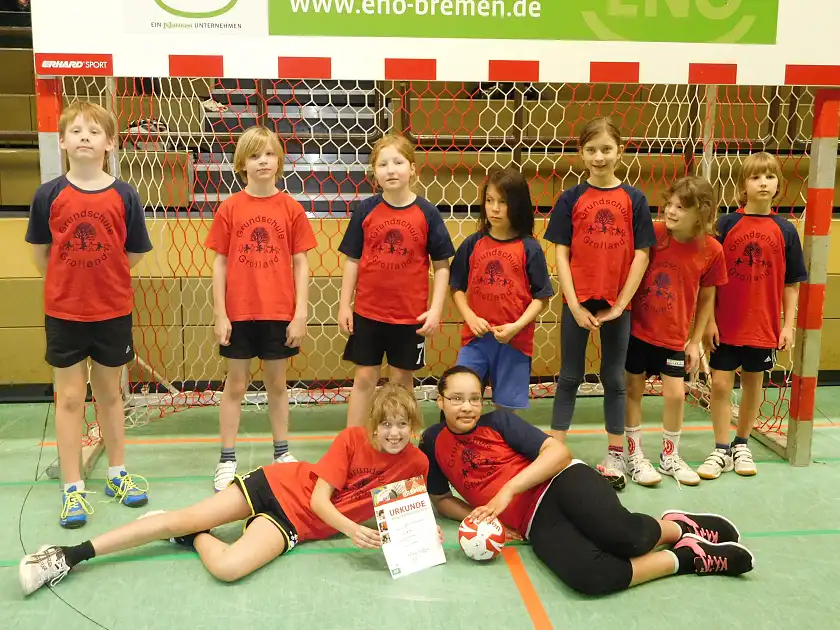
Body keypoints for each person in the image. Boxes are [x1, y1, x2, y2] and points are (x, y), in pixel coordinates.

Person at [19, 384, 429, 596]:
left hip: (293, 525)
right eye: (386, 424)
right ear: (374, 424)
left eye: (403, 425)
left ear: (414, 428)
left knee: (228, 568)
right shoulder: (352, 439)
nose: (394, 433)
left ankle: (193, 536)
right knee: (181, 515)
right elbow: (321, 500)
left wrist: (435, 529)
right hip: (277, 485)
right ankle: (67, 556)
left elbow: (408, 513)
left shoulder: (417, 464)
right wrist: (352, 530)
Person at [420, 366, 755, 596]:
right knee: (590, 577)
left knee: (625, 538)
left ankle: (678, 527)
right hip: (534, 522)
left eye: (475, 398)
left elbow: (557, 454)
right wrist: (474, 516)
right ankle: (686, 558)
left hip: (562, 483)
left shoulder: (499, 422)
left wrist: (507, 491)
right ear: (440, 401)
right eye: (457, 399)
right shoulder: (432, 441)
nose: (467, 407)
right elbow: (439, 496)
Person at [24, 101, 153, 528]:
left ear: (110, 142)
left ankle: (117, 472)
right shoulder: (49, 194)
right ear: (61, 141)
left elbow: (132, 253)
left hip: (112, 311)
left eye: (94, 131)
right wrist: (70, 282)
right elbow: (41, 254)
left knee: (111, 394)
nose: (84, 137)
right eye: (76, 130)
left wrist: (102, 280)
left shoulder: (124, 194)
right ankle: (73, 488)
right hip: (64, 313)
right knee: (72, 398)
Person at [543, 116, 657, 488]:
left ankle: (615, 453)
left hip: (616, 305)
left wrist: (621, 305)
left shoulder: (635, 199)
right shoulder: (571, 198)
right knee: (570, 376)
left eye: (606, 149)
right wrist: (574, 304)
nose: (599, 156)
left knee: (614, 378)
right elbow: (560, 253)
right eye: (591, 149)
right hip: (577, 301)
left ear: (620, 151)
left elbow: (642, 254)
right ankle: (554, 452)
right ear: (581, 153)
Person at [204, 126, 317, 492]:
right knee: (235, 385)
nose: (262, 161)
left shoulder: (291, 208)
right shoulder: (230, 208)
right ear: (242, 163)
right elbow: (219, 263)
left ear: (279, 160)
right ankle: (226, 458)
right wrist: (221, 313)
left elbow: (301, 263)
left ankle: (282, 453)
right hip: (238, 314)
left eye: (268, 154)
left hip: (278, 312)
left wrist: (300, 313)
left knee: (277, 385)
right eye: (254, 156)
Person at [700, 152, 807, 479]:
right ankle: (720, 449)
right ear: (743, 185)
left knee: (753, 383)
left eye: (770, 177)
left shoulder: (786, 230)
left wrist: (788, 325)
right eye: (756, 177)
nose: (763, 182)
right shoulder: (726, 225)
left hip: (763, 325)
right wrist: (708, 322)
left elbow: (792, 284)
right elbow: (708, 279)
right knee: (719, 384)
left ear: (777, 184)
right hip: (725, 323)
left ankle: (741, 443)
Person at [337, 133, 455, 427]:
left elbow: (442, 266)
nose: (391, 170)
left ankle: (404, 441)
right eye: (383, 164)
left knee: (402, 380)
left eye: (398, 162)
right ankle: (351, 443)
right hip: (368, 313)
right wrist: (344, 306)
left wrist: (436, 309)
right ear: (374, 172)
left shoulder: (427, 213)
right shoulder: (366, 210)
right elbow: (352, 260)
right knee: (364, 376)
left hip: (409, 317)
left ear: (412, 168)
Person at [624, 177, 728, 487]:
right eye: (669, 204)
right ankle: (634, 455)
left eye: (680, 208)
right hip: (638, 331)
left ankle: (669, 456)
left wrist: (695, 341)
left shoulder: (711, 250)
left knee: (675, 395)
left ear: (701, 212)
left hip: (674, 336)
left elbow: (708, 295)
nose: (670, 211)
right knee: (632, 391)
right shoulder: (654, 234)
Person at [450, 168, 554, 410]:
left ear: (516, 205)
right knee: (458, 402)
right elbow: (456, 287)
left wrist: (516, 327)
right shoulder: (472, 243)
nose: (494, 208)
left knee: (505, 415)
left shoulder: (529, 248)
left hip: (514, 342)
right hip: (474, 341)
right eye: (489, 200)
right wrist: (471, 318)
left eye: (503, 202)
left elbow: (542, 297)